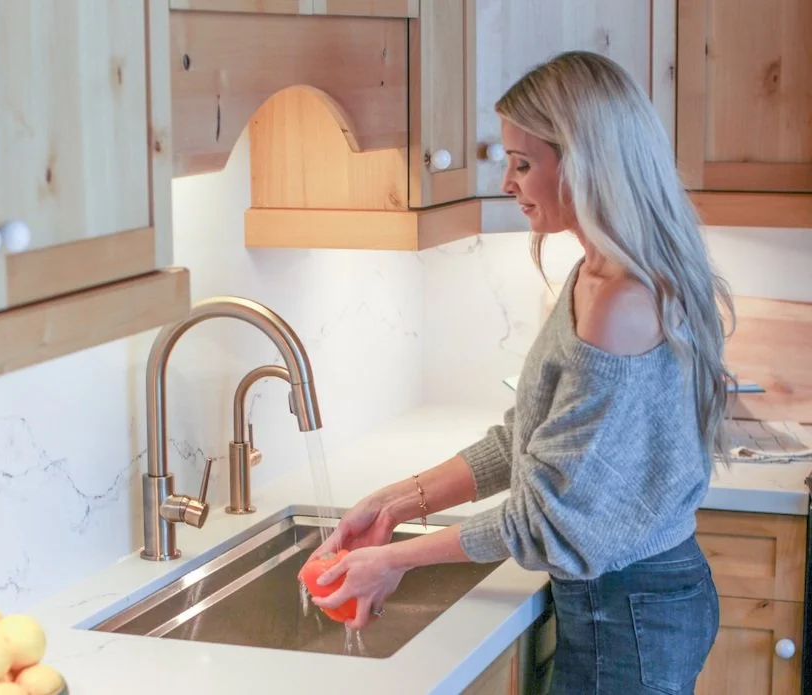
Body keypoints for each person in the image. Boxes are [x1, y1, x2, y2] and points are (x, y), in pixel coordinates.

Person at [300, 50, 732, 694]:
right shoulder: (595, 273)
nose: (507, 182)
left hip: (630, 616)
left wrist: (393, 560)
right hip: (621, 604)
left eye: (523, 163)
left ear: (584, 163)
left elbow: (545, 524)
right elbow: (526, 442)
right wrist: (391, 503)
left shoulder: (622, 302)